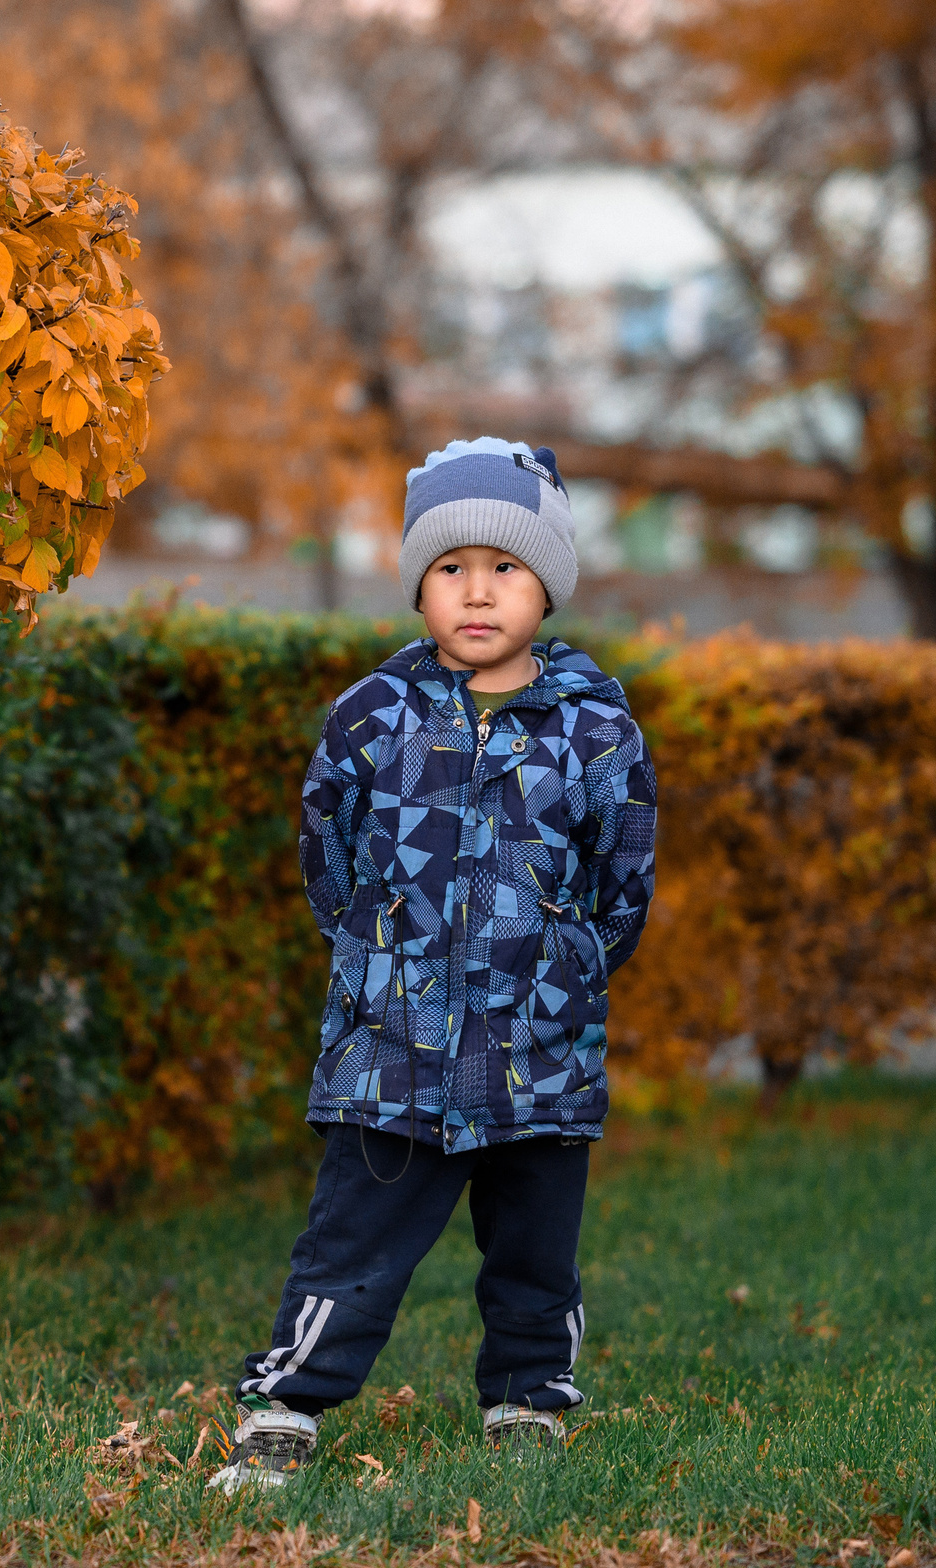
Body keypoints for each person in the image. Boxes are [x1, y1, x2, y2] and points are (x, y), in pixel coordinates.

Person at [208, 437, 659, 1492]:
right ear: (418, 586)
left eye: (505, 567)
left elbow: (621, 883)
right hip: (391, 1052)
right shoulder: (372, 717)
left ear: (548, 584)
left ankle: (528, 1397)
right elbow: (326, 851)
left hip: (537, 1051)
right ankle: (287, 1406)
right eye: (450, 568)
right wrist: (375, 955)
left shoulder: (596, 732)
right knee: (350, 1247)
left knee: (535, 1255)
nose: (477, 592)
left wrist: (568, 967)